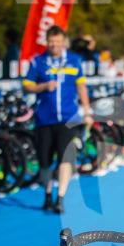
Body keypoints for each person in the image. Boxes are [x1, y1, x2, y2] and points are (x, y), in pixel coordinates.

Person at [22, 26, 94, 214]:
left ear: (63, 42)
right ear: (47, 42)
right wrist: (43, 86)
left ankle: (60, 198)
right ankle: (47, 194)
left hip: (68, 118)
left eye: (58, 41)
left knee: (65, 158)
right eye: (51, 41)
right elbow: (27, 85)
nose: (54, 45)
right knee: (44, 161)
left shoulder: (74, 61)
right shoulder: (38, 62)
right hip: (44, 118)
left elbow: (81, 87)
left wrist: (87, 111)